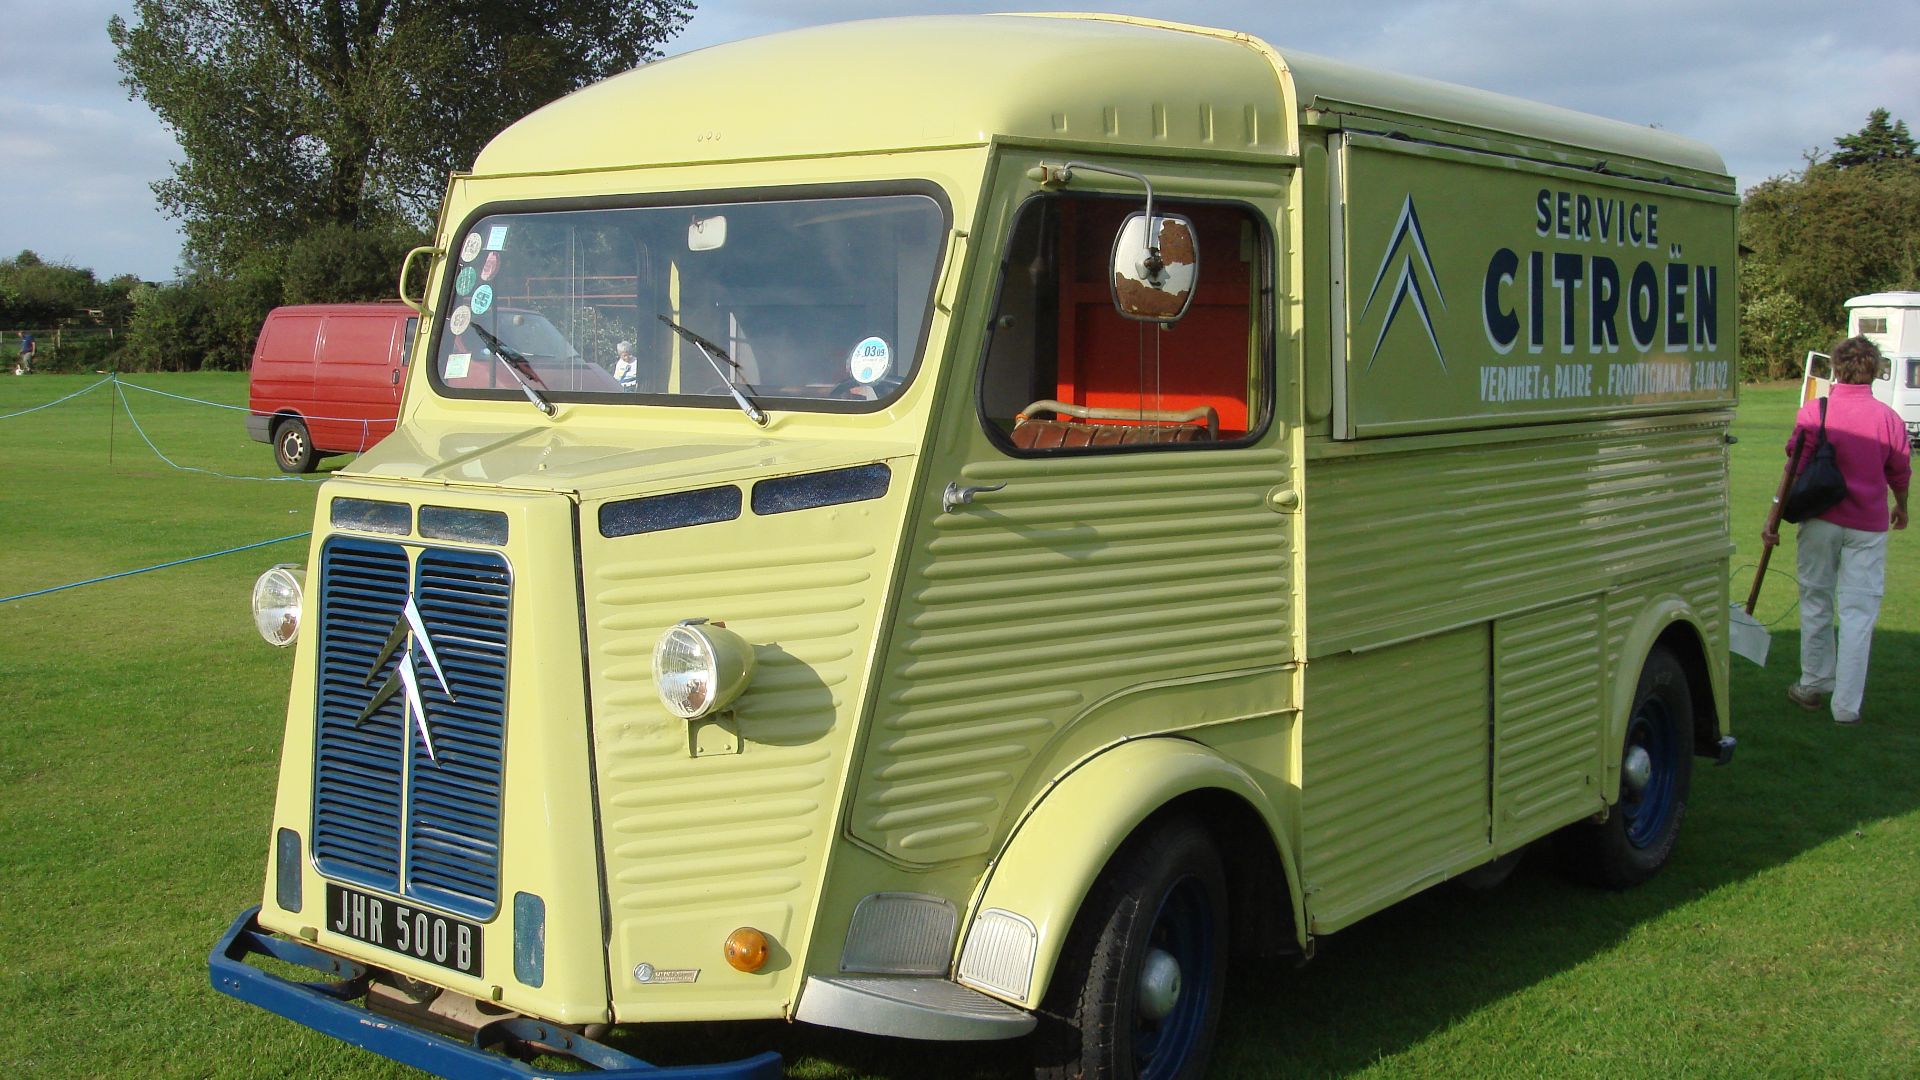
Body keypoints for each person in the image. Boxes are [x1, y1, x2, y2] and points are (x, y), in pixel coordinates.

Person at [1763, 335, 1910, 724]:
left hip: (1821, 520)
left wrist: (1772, 518)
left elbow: (1793, 467)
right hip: (1868, 524)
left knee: (1816, 600)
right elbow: (1899, 471)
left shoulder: (1815, 411)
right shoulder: (1888, 418)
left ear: (1836, 368)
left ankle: (1813, 683)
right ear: (1875, 371)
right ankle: (1845, 707)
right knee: (1859, 613)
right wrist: (1903, 507)